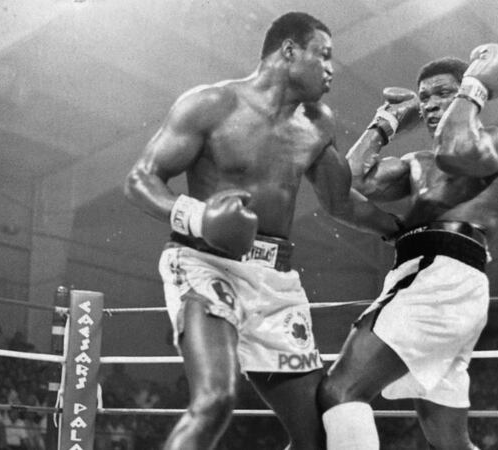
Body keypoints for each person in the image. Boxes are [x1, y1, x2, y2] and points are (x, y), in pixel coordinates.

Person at [123, 11, 399, 450]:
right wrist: (199, 218)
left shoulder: (316, 123)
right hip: (205, 263)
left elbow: (340, 199)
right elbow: (140, 179)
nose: (331, 70)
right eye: (323, 55)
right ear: (289, 50)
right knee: (215, 399)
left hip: (274, 284)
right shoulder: (212, 104)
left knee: (316, 440)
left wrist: (399, 229)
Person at [318, 44, 498, 450]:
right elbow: (348, 183)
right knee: (450, 443)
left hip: (442, 274)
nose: (430, 104)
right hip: (424, 275)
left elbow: (455, 151)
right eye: (424, 97)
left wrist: (475, 88)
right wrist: (386, 121)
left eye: (443, 92)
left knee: (339, 391)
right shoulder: (416, 162)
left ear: (466, 89)